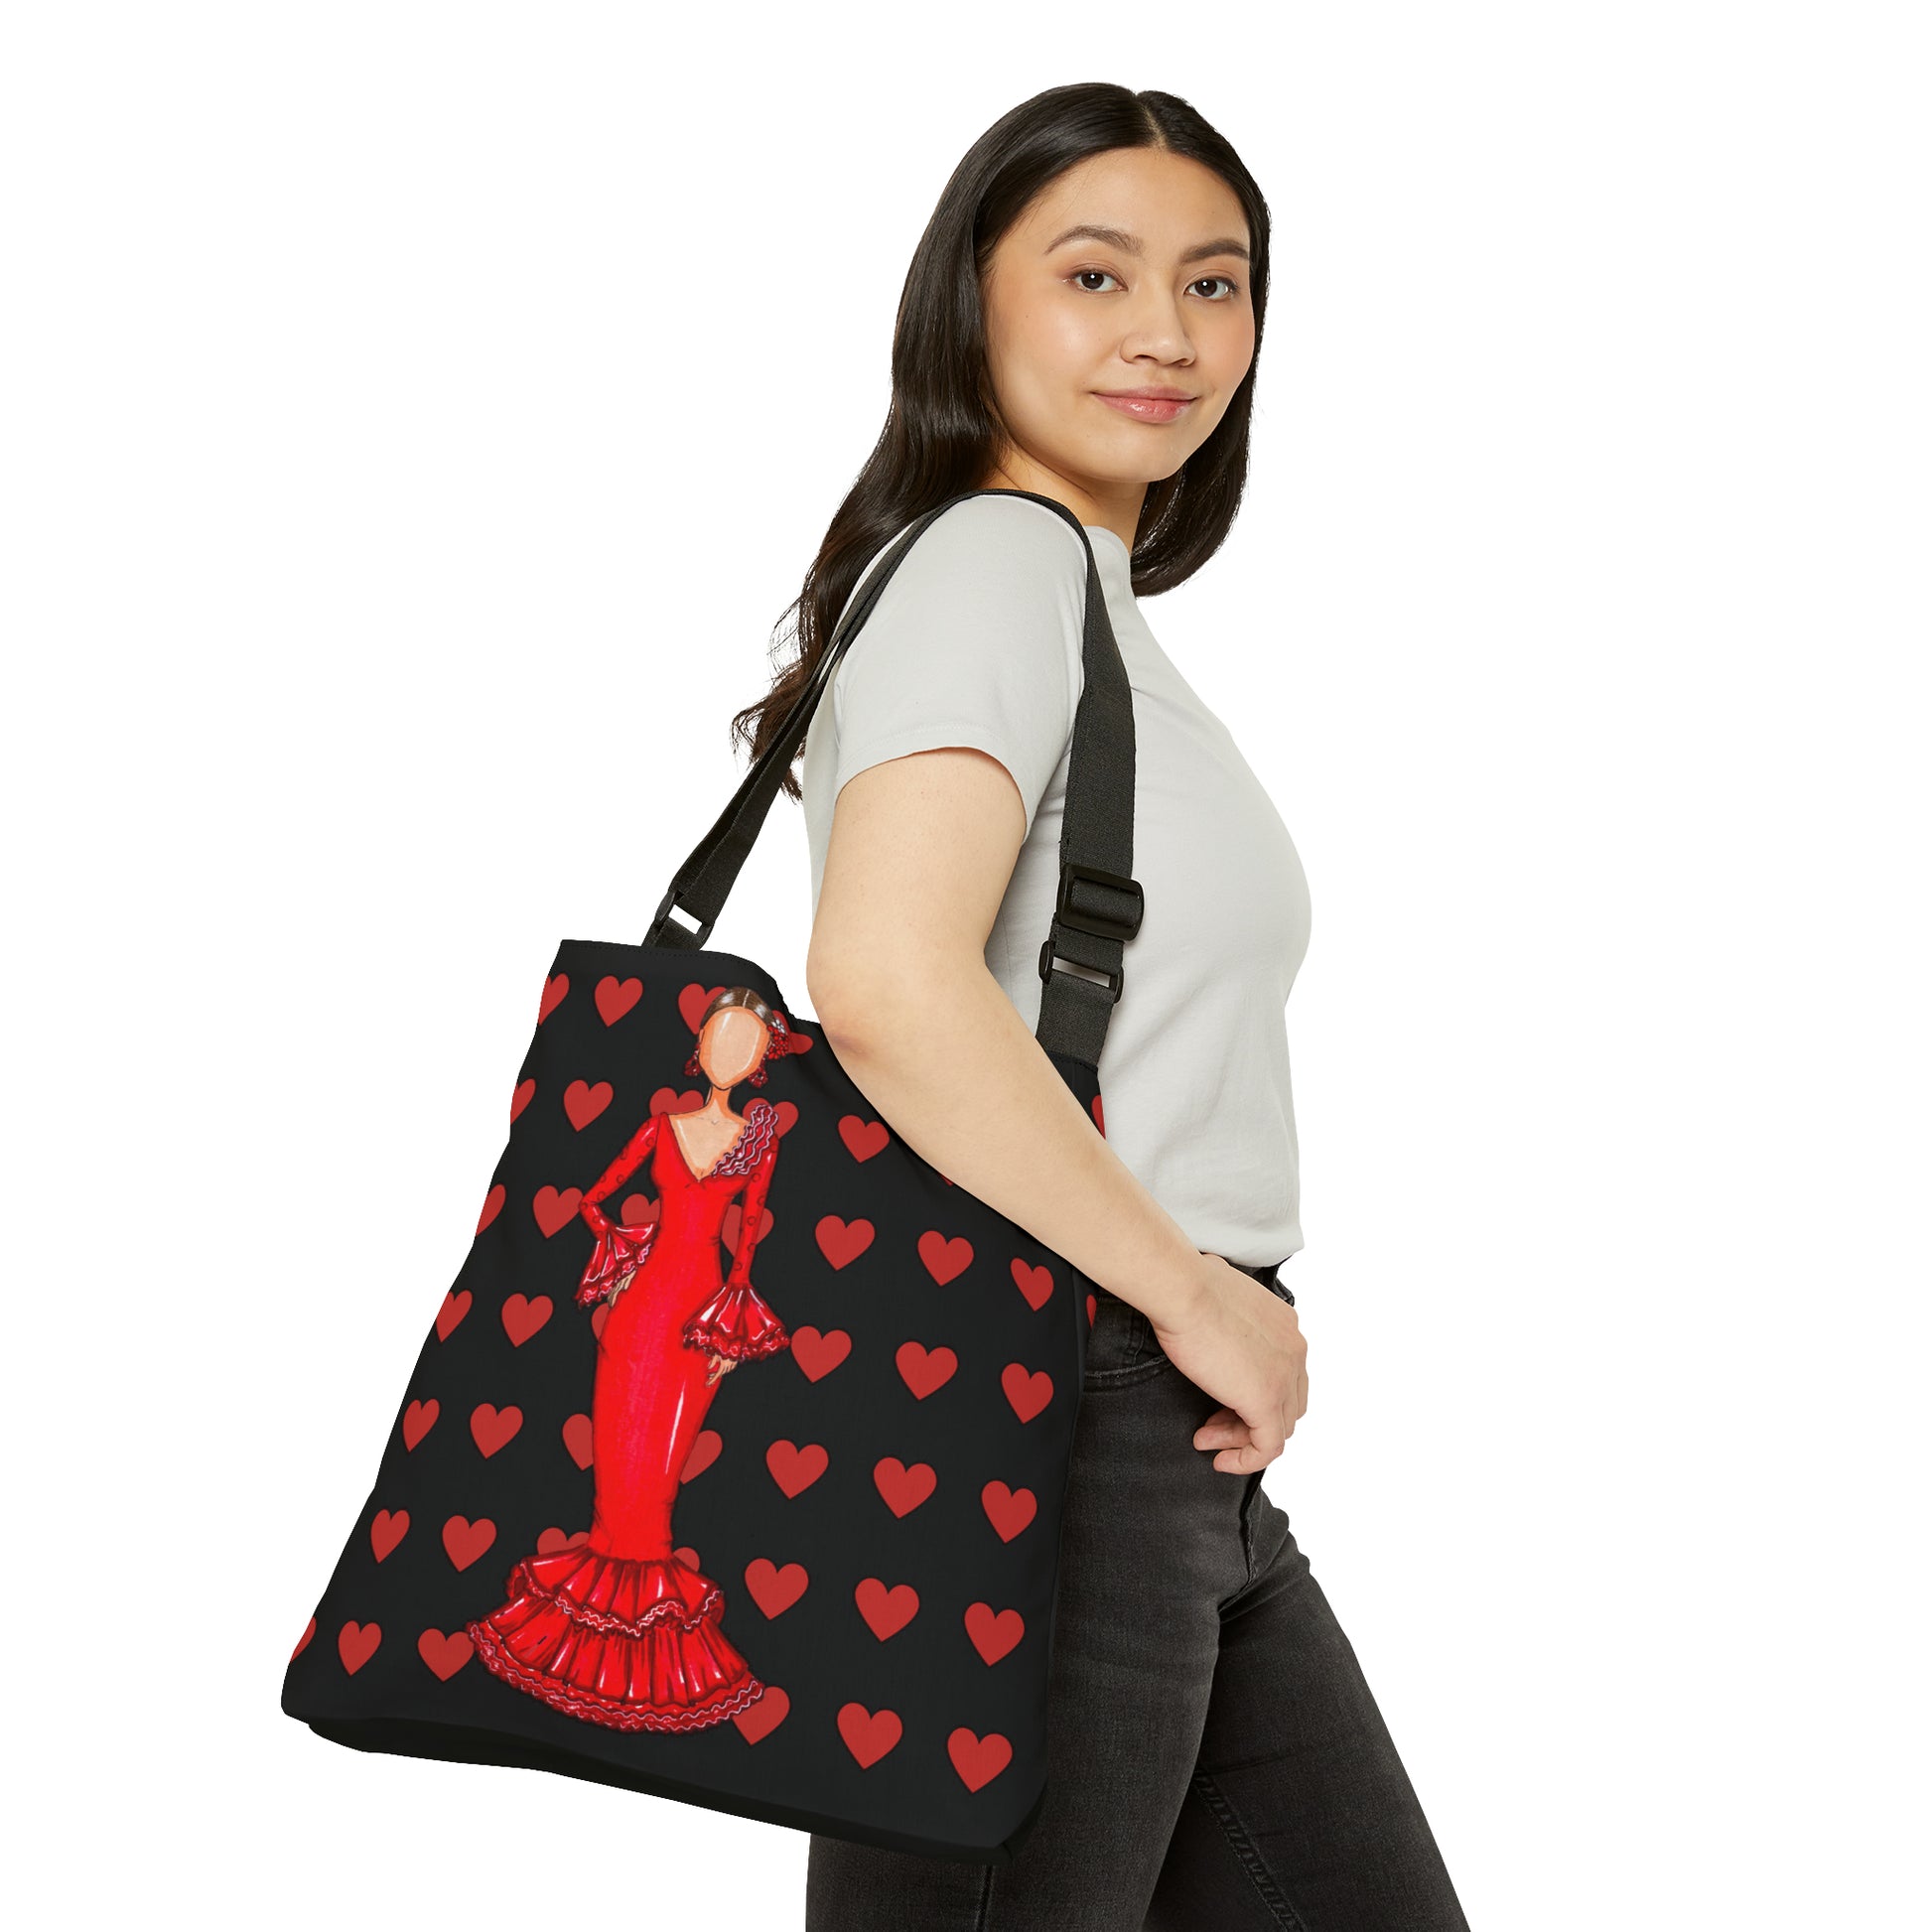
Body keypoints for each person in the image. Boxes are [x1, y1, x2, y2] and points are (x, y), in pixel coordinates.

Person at [733, 81, 1471, 1931]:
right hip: (1051, 1392)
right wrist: (1190, 1290)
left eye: (1217, 285)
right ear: (968, 307)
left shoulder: (1080, 599)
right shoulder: (995, 559)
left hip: (1143, 1434)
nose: (1167, 332)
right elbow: (886, 985)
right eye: (1094, 273)